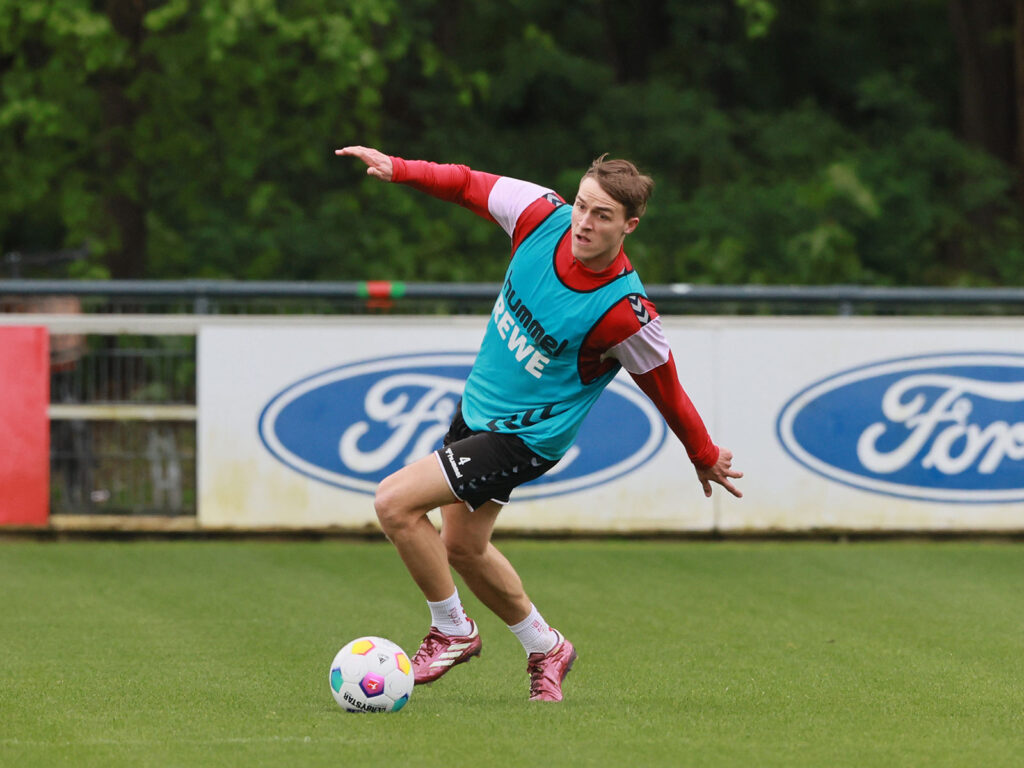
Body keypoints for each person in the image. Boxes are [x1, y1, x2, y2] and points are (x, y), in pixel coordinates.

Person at [335, 145, 743, 702]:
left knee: (394, 503)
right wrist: (400, 169)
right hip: (476, 410)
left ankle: (451, 629)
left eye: (603, 216)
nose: (585, 222)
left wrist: (703, 453)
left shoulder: (624, 312)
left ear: (630, 226)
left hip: (523, 439)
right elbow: (464, 182)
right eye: (582, 206)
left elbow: (667, 390)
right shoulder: (537, 213)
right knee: (464, 549)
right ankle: (546, 646)